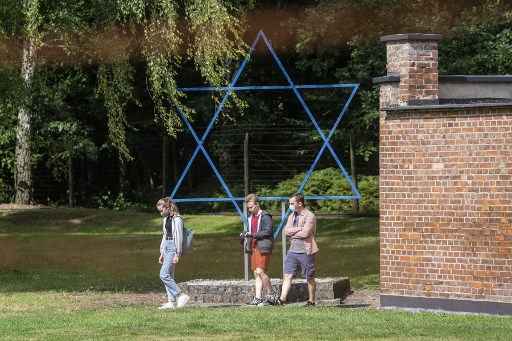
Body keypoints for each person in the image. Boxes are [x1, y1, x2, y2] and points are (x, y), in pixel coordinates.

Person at [275, 193, 319, 306]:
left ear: (300, 203)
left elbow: (305, 233)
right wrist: (299, 229)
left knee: (309, 277)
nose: (290, 205)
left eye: (292, 203)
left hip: (306, 250)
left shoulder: (310, 216)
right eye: (290, 203)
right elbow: (286, 231)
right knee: (287, 275)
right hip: (292, 250)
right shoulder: (291, 216)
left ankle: (311, 301)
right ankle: (282, 299)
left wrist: (293, 232)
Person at [240, 193, 276, 306]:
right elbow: (252, 233)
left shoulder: (265, 216)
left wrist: (252, 235)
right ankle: (258, 298)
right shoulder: (251, 218)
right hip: (254, 247)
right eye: (248, 208)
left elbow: (268, 231)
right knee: (256, 273)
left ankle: (272, 295)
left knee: (261, 271)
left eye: (251, 207)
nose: (249, 210)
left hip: (263, 246)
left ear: (257, 205)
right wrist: (245, 235)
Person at [156, 197, 190, 309]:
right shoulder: (165, 219)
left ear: (168, 207)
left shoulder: (177, 219)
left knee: (163, 274)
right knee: (169, 275)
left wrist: (177, 253)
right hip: (166, 247)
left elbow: (179, 237)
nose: (161, 213)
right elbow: (164, 235)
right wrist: (161, 252)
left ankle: (180, 295)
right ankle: (172, 301)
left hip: (173, 248)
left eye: (162, 210)